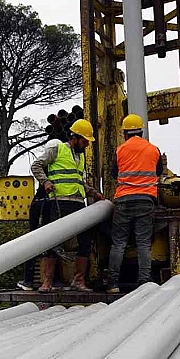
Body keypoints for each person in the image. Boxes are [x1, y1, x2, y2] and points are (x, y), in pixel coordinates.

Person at [31, 119, 105, 292]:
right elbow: (36, 166)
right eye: (85, 141)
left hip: (78, 204)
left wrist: (93, 192)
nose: (87, 145)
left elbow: (78, 180)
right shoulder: (57, 149)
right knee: (53, 241)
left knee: (85, 241)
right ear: (75, 137)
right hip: (59, 202)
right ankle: (47, 281)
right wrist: (46, 181)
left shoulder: (82, 157)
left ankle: (78, 281)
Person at [107, 114, 163, 293]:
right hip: (146, 200)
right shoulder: (153, 150)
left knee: (119, 243)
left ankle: (113, 284)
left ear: (125, 132)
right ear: (141, 130)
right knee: (143, 243)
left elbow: (114, 174)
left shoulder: (120, 150)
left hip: (123, 200)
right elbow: (158, 171)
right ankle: (144, 282)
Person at [17, 132, 67, 291]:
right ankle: (54, 280)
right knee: (52, 241)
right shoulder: (55, 165)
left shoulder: (47, 167)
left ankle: (28, 280)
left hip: (41, 204)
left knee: (35, 242)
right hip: (48, 204)